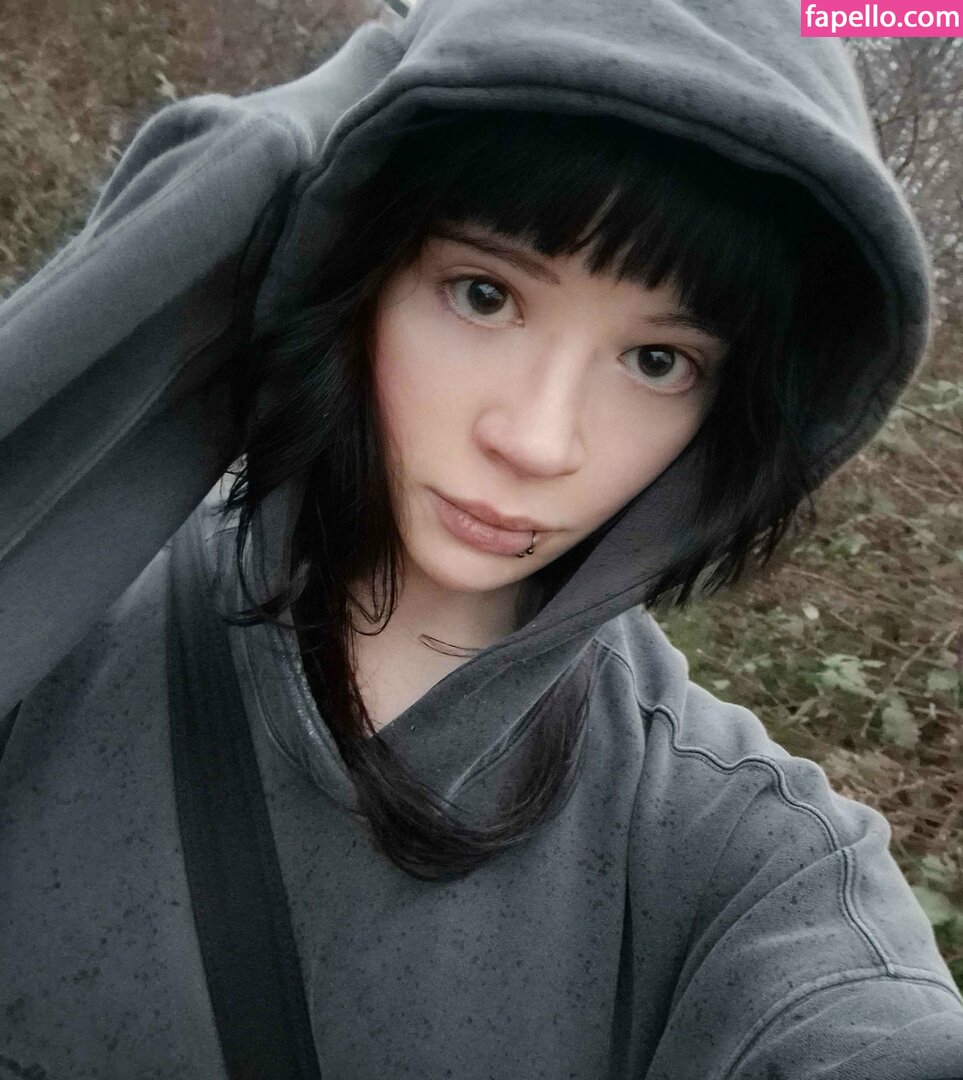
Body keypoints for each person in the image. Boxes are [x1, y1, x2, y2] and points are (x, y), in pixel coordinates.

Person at [0, 0, 961, 1076]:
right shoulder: (65, 602)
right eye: (484, 294)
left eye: (657, 362)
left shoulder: (737, 849)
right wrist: (283, 153)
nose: (536, 441)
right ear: (358, 261)